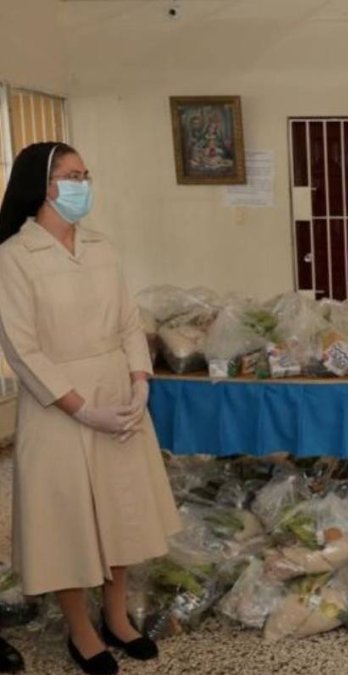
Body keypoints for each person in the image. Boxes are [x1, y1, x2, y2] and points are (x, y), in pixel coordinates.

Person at [0, 143, 181, 675]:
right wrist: (80, 409)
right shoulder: (14, 256)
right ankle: (82, 631)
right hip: (57, 404)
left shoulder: (101, 246)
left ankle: (117, 617)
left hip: (117, 397)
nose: (83, 183)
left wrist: (139, 380)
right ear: (43, 184)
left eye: (86, 174)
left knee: (120, 513)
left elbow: (128, 320)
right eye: (72, 175)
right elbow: (21, 348)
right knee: (68, 522)